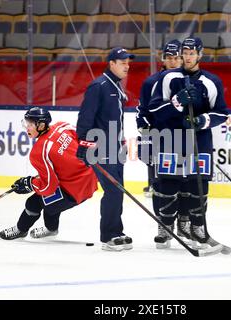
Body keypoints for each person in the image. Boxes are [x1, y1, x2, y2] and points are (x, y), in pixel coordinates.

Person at [146, 37, 229, 249]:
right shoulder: (168, 78)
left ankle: (198, 229)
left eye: (193, 53)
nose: (188, 57)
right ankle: (165, 228)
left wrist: (203, 120)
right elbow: (154, 111)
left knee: (197, 187)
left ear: (200, 54)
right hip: (171, 140)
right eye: (185, 53)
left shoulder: (211, 81)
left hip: (198, 141)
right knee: (168, 186)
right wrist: (176, 102)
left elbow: (221, 113)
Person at [0, 107, 98, 240]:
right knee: (51, 202)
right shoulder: (62, 126)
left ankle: (21, 230)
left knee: (34, 202)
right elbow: (84, 140)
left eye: (30, 124)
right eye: (26, 123)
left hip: (75, 190)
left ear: (40, 125)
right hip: (91, 177)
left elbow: (48, 187)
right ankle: (51, 229)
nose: (26, 128)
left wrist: (30, 184)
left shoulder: (39, 151)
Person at [76, 47, 135, 251]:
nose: (127, 66)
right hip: (101, 149)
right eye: (122, 62)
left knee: (118, 192)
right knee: (112, 190)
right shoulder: (99, 86)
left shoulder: (115, 86)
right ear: (111, 64)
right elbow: (85, 117)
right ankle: (109, 236)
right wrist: (84, 144)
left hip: (115, 150)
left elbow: (113, 120)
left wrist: (121, 142)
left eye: (128, 63)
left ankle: (116, 231)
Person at [137, 39, 183, 198]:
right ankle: (153, 183)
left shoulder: (188, 80)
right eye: (169, 58)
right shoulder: (151, 82)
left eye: (176, 58)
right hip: (158, 131)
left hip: (180, 133)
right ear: (163, 59)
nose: (173, 61)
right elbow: (143, 109)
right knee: (152, 157)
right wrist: (144, 128)